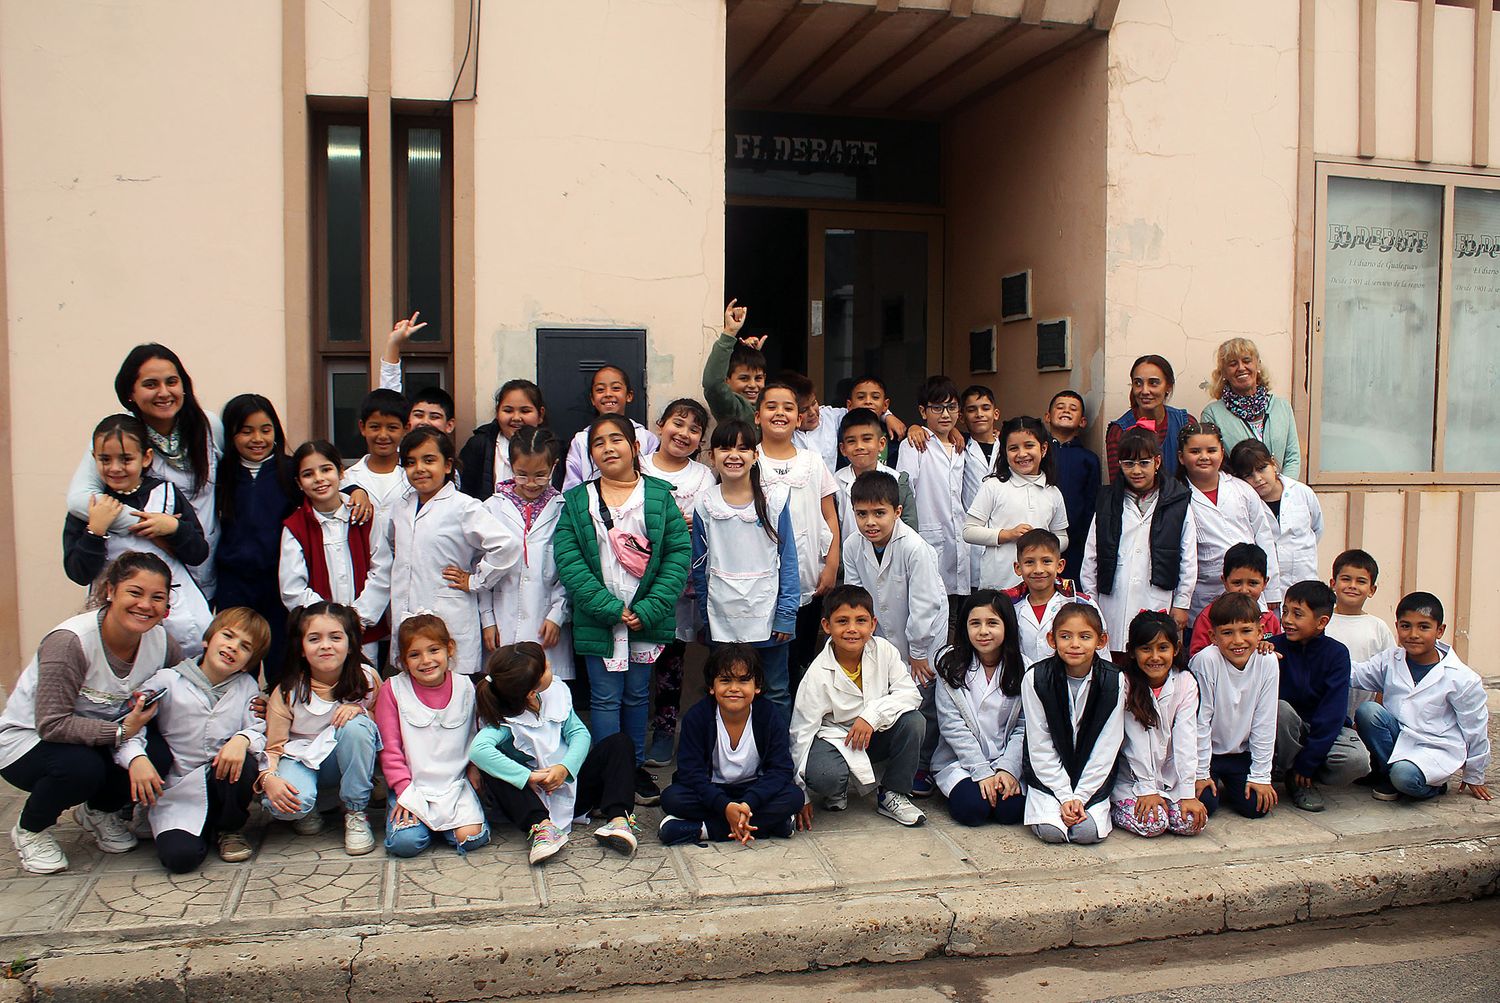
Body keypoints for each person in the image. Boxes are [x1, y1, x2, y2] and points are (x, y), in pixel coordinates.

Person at [0, 553, 179, 874]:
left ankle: (99, 810)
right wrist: (122, 734)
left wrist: (245, 703)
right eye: (135, 593)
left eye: (157, 597)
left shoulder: (162, 641)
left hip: (102, 738)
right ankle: (31, 829)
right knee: (82, 768)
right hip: (28, 744)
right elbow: (52, 724)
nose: (145, 605)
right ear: (110, 590)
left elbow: (189, 684)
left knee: (159, 754)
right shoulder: (70, 643)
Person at [553, 415, 692, 806]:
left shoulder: (660, 496)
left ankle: (632, 770)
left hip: (647, 615)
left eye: (617, 439)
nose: (609, 448)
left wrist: (648, 608)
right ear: (591, 453)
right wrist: (609, 608)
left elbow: (678, 555)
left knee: (636, 696)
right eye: (599, 443)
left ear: (635, 448)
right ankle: (603, 774)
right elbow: (569, 559)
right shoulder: (578, 501)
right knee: (604, 697)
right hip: (601, 617)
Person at [359, 426, 521, 678]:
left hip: (449, 613)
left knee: (453, 688)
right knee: (410, 688)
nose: (419, 468)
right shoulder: (401, 507)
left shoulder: (464, 507)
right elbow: (393, 548)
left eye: (429, 460)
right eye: (410, 462)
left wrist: (476, 580)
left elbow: (506, 546)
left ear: (447, 466)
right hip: (407, 613)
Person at [66, 345, 225, 601]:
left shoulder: (209, 427)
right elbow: (79, 499)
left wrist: (174, 529)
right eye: (151, 384)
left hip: (203, 571)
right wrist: (150, 526)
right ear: (131, 392)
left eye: (172, 382)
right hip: (142, 586)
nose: (164, 392)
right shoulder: (119, 437)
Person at [119, 608, 270, 872]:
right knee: (181, 859)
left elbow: (258, 728)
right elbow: (132, 725)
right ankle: (178, 824)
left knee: (244, 761)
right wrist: (136, 759)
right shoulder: (168, 680)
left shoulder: (246, 686)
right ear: (207, 639)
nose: (233, 647)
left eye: (245, 646)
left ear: (248, 662)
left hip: (221, 781)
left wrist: (242, 739)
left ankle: (229, 828)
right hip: (178, 788)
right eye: (228, 636)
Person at [469, 642, 640, 863]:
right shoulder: (504, 720)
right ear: (531, 693)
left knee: (620, 743)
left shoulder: (555, 694)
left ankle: (618, 819)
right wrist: (527, 777)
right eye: (545, 667)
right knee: (492, 771)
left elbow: (579, 734)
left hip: (572, 786)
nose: (550, 664)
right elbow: (479, 750)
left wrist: (564, 768)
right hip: (534, 799)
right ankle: (543, 829)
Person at [63, 414, 212, 657]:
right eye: (105, 459)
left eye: (126, 459)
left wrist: (174, 529)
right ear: (94, 460)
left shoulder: (166, 494)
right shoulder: (87, 508)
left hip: (177, 617)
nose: (115, 468)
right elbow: (78, 572)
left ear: (146, 458)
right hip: (116, 623)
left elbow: (198, 553)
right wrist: (95, 532)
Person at [840, 471, 947, 796]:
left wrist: (917, 651)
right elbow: (857, 598)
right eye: (862, 514)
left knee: (923, 699)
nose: (870, 522)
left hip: (923, 636)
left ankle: (922, 766)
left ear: (897, 512)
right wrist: (861, 639)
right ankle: (893, 759)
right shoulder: (853, 546)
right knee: (889, 696)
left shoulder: (915, 548)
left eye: (879, 513)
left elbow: (925, 604)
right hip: (882, 635)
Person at [788, 586, 927, 827]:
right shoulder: (818, 674)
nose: (852, 629)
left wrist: (871, 717)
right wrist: (799, 793)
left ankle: (892, 793)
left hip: (874, 733)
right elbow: (801, 732)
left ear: (872, 624)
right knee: (825, 776)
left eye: (860, 621)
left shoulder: (884, 651)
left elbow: (910, 694)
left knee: (914, 721)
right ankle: (836, 788)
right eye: (842, 621)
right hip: (835, 739)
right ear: (826, 626)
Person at [692, 420, 798, 716]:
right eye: (724, 447)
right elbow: (699, 567)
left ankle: (777, 759)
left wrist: (786, 615)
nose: (733, 455)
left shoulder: (775, 500)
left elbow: (788, 560)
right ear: (711, 457)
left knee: (775, 690)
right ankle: (730, 756)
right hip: (722, 618)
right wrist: (706, 615)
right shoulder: (705, 503)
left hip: (768, 615)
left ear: (756, 455)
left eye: (743, 447)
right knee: (727, 690)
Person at [258, 603, 382, 854]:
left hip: (341, 761)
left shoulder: (367, 679)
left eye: (335, 637)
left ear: (350, 644)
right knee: (290, 804)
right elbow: (274, 746)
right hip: (301, 759)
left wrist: (362, 711)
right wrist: (268, 778)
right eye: (314, 639)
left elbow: (383, 726)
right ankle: (311, 804)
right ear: (302, 649)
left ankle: (355, 812)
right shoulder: (288, 690)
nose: (326, 645)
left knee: (357, 726)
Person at [1351, 592, 1490, 804]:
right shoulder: (1390, 660)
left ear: (1440, 630)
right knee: (1368, 711)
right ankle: (1387, 773)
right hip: (1399, 736)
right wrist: (1320, 656)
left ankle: (1432, 786)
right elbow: (1354, 673)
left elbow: (1475, 728)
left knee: (1404, 777)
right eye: (1405, 626)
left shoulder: (1461, 678)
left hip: (1434, 748)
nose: (1413, 634)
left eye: (1423, 627)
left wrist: (1474, 773)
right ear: (1397, 627)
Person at [658, 644, 803, 846]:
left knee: (794, 797)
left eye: (744, 680)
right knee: (672, 798)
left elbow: (781, 769)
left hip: (753, 790)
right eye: (725, 680)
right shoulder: (697, 717)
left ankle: (705, 829)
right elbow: (690, 773)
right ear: (711, 686)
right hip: (713, 791)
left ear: (757, 686)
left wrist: (748, 802)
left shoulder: (768, 715)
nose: (734, 688)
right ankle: (773, 825)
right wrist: (724, 806)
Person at [638, 399, 716, 766]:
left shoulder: (702, 477)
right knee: (634, 662)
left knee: (671, 661)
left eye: (694, 429)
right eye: (677, 423)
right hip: (636, 580)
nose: (683, 433)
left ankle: (664, 730)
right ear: (660, 425)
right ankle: (633, 733)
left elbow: (702, 523)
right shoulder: (637, 468)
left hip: (679, 585)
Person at [374, 614, 489, 858]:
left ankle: (443, 827)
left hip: (455, 785)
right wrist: (404, 792)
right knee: (405, 844)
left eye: (434, 650)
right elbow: (390, 749)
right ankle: (422, 824)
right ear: (403, 660)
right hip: (413, 785)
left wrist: (474, 767)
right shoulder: (393, 690)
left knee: (471, 839)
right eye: (414, 655)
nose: (426, 661)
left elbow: (478, 735)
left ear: (449, 649)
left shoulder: (467, 687)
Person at [755, 382, 841, 694]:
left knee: (799, 660)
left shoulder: (812, 461)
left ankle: (795, 731)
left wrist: (831, 564)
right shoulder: (749, 461)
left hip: (808, 577)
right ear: (758, 416)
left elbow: (829, 515)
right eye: (772, 406)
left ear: (798, 417)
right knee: (762, 666)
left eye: (788, 407)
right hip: (759, 582)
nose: (780, 413)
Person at [1080, 426, 1196, 650]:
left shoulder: (1177, 502)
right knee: (1114, 654)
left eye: (1144, 462)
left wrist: (1182, 603)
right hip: (1112, 600)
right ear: (1120, 465)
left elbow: (1188, 558)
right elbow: (1091, 556)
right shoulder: (1107, 501)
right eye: (1128, 463)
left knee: (1152, 653)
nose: (1136, 470)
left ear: (1158, 462)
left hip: (1157, 598)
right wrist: (1091, 602)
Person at [280, 440, 389, 676]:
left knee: (364, 688)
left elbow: (382, 570)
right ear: (299, 483)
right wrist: (329, 623)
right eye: (308, 474)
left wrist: (358, 617)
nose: (319, 478)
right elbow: (292, 588)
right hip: (321, 637)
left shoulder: (364, 516)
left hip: (362, 630)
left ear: (341, 472)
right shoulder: (295, 527)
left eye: (326, 469)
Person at [1020, 603, 1124, 845]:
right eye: (1065, 636)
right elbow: (1039, 744)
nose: (1075, 644)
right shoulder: (1036, 678)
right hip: (1049, 778)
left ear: (1101, 640)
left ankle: (1083, 804)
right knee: (1052, 832)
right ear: (1051, 639)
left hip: (1093, 779)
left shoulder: (1114, 680)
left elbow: (1108, 745)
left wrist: (1081, 795)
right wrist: (1065, 795)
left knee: (1086, 832)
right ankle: (1056, 804)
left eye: (1085, 637)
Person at [214, 394, 301, 671]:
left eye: (265, 429)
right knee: (238, 659)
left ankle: (278, 712)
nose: (258, 439)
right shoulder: (220, 474)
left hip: (278, 583)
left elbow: (324, 490)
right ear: (231, 434)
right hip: (233, 584)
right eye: (246, 431)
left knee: (281, 658)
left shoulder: (289, 471)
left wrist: (355, 492)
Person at [480, 427, 573, 683]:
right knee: (505, 691)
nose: (531, 483)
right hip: (502, 622)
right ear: (510, 466)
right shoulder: (491, 509)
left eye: (540, 475)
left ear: (554, 466)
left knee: (546, 692)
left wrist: (557, 614)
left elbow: (570, 569)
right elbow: (482, 570)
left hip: (546, 625)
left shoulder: (563, 509)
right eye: (522, 475)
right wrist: (487, 619)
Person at [1272, 581, 1371, 812]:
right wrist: (1262, 655)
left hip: (1323, 730)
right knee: (1280, 710)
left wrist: (1308, 762)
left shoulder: (1336, 654)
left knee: (1357, 761)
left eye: (1297, 614)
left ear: (1321, 622)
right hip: (1287, 730)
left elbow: (1333, 713)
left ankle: (1302, 776)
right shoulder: (1272, 648)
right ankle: (1290, 775)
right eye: (1285, 611)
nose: (1287, 620)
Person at [931, 591, 1027, 826]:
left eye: (992, 623)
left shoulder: (1024, 668)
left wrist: (1008, 769)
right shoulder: (949, 664)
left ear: (1008, 626)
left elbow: (1024, 728)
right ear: (965, 628)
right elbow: (951, 725)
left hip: (1004, 758)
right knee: (972, 810)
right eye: (975, 623)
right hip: (960, 761)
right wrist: (981, 770)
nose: (983, 631)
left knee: (1011, 812)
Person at [1112, 611, 1207, 838]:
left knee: (1191, 823)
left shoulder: (1185, 681)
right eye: (1146, 649)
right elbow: (1135, 740)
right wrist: (1146, 789)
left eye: (1162, 648)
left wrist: (1186, 792)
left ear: (1175, 649)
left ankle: (1166, 797)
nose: (1155, 656)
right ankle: (1114, 807)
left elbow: (1186, 736)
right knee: (1152, 824)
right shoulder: (1124, 683)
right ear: (1132, 652)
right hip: (1132, 777)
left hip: (1168, 775)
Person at [1178, 422, 1282, 621]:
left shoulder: (1241, 489)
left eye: (1211, 450)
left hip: (1251, 591)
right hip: (1204, 595)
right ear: (1181, 457)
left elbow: (1264, 536)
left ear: (1222, 452)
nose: (1204, 457)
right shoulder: (1178, 496)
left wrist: (1273, 591)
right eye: (1195, 451)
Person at [1190, 593, 1279, 819]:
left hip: (1240, 753)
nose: (1238, 641)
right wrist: (1200, 773)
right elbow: (1201, 721)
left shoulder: (1267, 661)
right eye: (1227, 633)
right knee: (1204, 805)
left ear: (1260, 632)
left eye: (1246, 631)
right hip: (1206, 755)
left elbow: (1265, 721)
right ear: (1213, 636)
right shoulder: (1206, 660)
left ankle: (1233, 784)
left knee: (1257, 808)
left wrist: (1261, 776)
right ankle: (1212, 782)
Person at [964, 415, 1069, 591]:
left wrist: (1043, 542)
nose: (1022, 454)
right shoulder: (994, 486)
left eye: (1029, 445)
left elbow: (1063, 537)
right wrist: (1007, 534)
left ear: (1043, 449)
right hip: (999, 585)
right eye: (1013, 448)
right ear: (1004, 452)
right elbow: (969, 531)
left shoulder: (1053, 493)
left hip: (1038, 587)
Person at [896, 377, 971, 617]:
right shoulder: (915, 444)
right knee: (930, 607)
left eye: (951, 407)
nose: (945, 414)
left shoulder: (961, 446)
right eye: (937, 408)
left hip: (959, 537)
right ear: (923, 411)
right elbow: (906, 493)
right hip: (927, 535)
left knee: (958, 608)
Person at [1229, 439, 1322, 600]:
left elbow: (1317, 529)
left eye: (1262, 468)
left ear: (1273, 463)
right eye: (1248, 475)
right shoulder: (1244, 504)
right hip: (1266, 593)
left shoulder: (1302, 492)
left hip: (1305, 581)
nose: (1258, 478)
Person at [1200, 337, 1301, 478]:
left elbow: (1292, 457)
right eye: (1233, 364)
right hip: (1242, 496)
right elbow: (1218, 466)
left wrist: (1283, 492)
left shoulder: (1282, 407)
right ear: (1223, 373)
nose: (1241, 368)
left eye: (1247, 361)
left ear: (1258, 365)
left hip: (1283, 496)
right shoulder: (1212, 414)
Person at [1006, 528, 1098, 667]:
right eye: (1029, 562)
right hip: (1021, 684)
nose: (1038, 570)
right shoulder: (1008, 606)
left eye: (1047, 561)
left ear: (1060, 565)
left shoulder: (1082, 603)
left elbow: (1101, 657)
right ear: (1018, 568)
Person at [562, 366, 659, 490]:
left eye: (616, 388)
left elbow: (654, 480)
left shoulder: (646, 438)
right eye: (600, 389)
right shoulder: (581, 440)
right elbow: (571, 487)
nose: (608, 394)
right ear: (592, 399)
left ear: (629, 395)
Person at [1325, 549, 1395, 714]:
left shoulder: (1379, 628)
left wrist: (1372, 712)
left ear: (1372, 590)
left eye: (1361, 581)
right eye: (1346, 579)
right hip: (1322, 712)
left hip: (1362, 719)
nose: (1352, 586)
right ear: (1333, 583)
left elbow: (1390, 675)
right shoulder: (1321, 622)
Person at [457, 379, 547, 502]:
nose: (516, 418)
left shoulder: (553, 448)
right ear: (497, 412)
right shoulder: (479, 445)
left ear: (540, 415)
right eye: (508, 411)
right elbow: (464, 494)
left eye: (525, 411)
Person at [1104, 354, 1192, 482]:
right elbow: (1118, 486)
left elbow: (1196, 475)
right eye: (1138, 383)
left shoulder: (1185, 423)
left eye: (1153, 383)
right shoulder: (1119, 431)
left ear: (1168, 386)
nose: (1145, 390)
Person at [833, 408, 917, 541]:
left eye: (866, 439)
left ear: (881, 443)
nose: (859, 446)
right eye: (851, 441)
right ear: (842, 449)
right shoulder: (834, 483)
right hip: (849, 559)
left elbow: (910, 529)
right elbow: (832, 530)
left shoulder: (898, 481)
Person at [1187, 543, 1283, 657]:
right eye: (1237, 583)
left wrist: (1267, 648)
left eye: (1253, 583)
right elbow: (1198, 657)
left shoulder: (1269, 618)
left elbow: (1279, 653)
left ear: (1265, 583)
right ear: (1224, 581)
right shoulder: (1209, 616)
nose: (1244, 590)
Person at [1045, 390, 1100, 581]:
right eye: (1060, 407)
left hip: (1075, 542)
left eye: (1073, 409)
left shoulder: (1089, 459)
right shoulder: (1037, 453)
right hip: (1039, 537)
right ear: (1047, 416)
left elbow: (1092, 502)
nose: (1066, 411)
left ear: (1083, 421)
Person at [343, 389, 413, 514]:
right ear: (362, 427)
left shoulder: (414, 475)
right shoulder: (348, 478)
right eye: (375, 427)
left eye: (392, 428)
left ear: (406, 429)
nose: (383, 435)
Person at [959, 386, 1002, 589]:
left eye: (985, 408)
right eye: (971, 409)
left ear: (995, 413)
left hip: (1002, 533)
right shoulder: (958, 447)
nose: (979, 414)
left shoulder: (1008, 447)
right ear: (961, 417)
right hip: (969, 535)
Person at [703, 299, 765, 425]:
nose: (753, 385)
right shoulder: (732, 409)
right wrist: (729, 333)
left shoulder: (770, 405)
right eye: (744, 378)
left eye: (758, 378)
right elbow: (713, 385)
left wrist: (752, 354)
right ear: (727, 381)